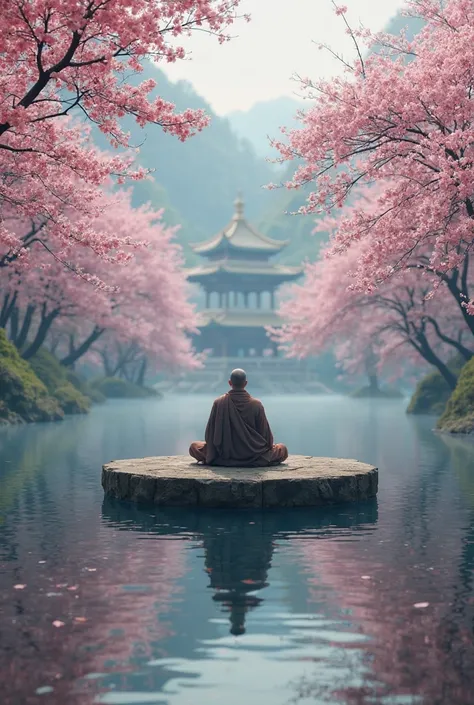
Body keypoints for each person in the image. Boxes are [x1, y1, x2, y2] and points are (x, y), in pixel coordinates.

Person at [189, 368, 288, 467]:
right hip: (253, 455)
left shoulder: (219, 402)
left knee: (194, 447)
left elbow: (209, 434)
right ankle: (248, 461)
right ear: (245, 383)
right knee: (282, 449)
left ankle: (225, 460)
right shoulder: (256, 404)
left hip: (223, 455)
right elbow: (266, 438)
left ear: (229, 383)